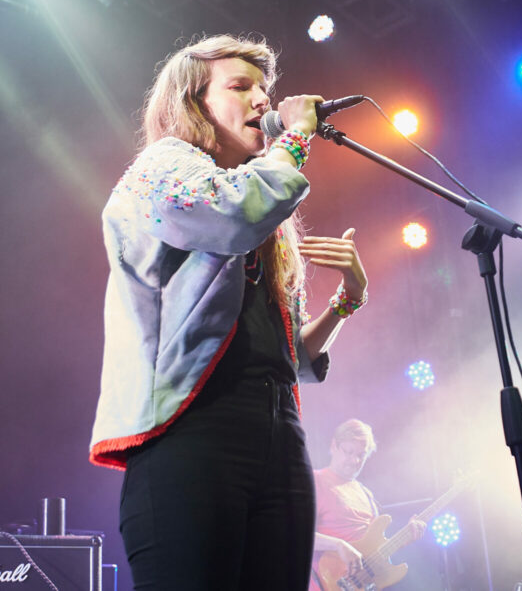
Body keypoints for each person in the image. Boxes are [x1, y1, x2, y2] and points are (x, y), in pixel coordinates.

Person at [88, 34, 369, 590]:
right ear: (194, 104)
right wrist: (295, 140)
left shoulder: (267, 210)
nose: (263, 99)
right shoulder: (160, 168)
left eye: (265, 87)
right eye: (241, 87)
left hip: (279, 433)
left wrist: (348, 298)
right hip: (193, 428)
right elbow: (232, 215)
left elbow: (294, 361)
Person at [310, 419, 426, 590]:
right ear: (333, 446)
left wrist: (405, 538)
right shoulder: (314, 481)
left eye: (361, 455)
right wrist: (339, 545)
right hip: (325, 583)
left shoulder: (366, 494)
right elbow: (295, 535)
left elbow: (372, 550)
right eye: (348, 452)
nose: (354, 460)